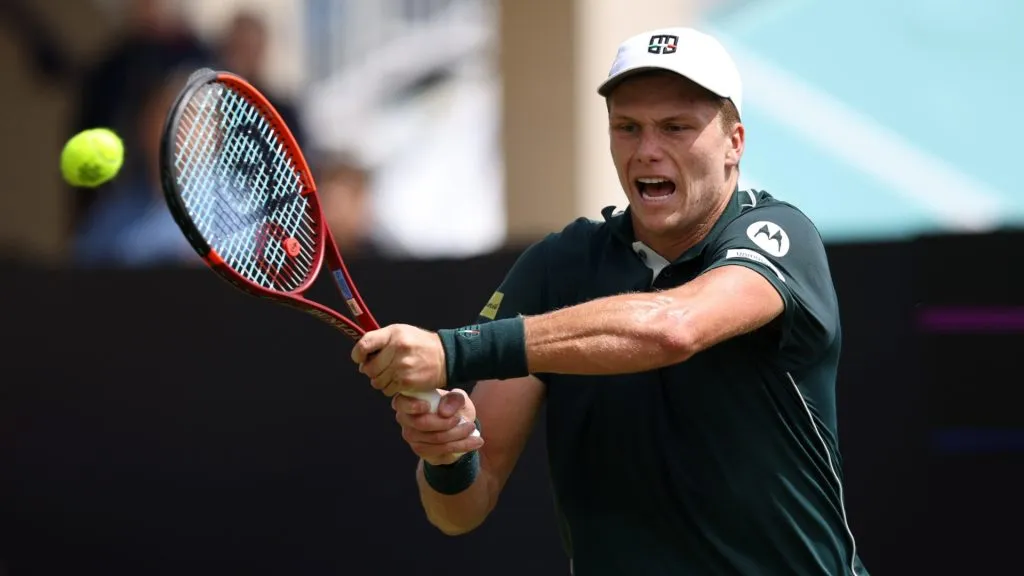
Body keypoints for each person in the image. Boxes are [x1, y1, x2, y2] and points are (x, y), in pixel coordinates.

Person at [350, 27, 870, 576]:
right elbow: (461, 510)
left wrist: (452, 352)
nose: (647, 150)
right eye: (627, 128)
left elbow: (672, 327)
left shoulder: (779, 234)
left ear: (734, 142)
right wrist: (447, 458)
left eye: (676, 127)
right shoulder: (557, 266)